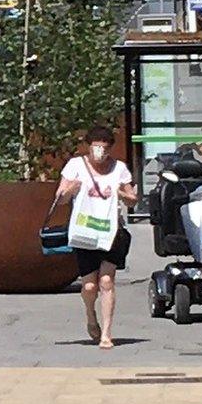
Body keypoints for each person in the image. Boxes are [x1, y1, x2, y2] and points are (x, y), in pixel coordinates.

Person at [51, 124, 138, 349]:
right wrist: (72, 188)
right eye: (96, 148)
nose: (100, 153)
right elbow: (59, 198)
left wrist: (122, 194)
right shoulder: (76, 166)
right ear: (89, 147)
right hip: (85, 231)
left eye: (105, 149)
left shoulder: (119, 168)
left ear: (110, 149)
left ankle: (107, 333)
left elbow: (131, 198)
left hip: (111, 232)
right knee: (90, 287)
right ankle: (91, 316)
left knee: (107, 281)